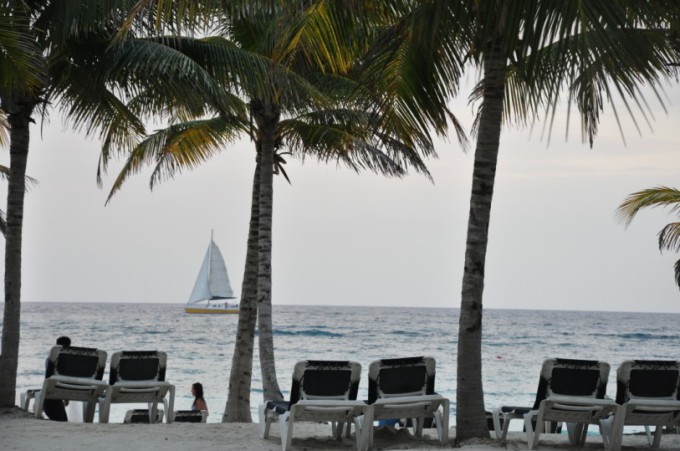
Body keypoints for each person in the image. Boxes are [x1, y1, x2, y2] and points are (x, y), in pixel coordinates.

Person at [43, 336, 71, 421]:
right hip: (74, 389)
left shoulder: (51, 359)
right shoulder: (74, 360)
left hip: (53, 390)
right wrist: (67, 396)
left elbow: (49, 378)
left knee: (51, 405)